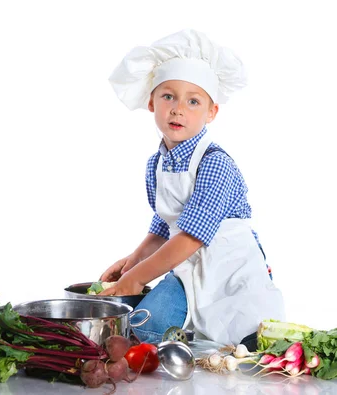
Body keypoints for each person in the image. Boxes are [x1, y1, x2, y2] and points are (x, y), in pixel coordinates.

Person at [100, 29, 285, 346]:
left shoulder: (215, 164)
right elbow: (163, 226)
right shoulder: (155, 164)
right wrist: (131, 263)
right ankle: (183, 336)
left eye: (193, 101)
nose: (178, 108)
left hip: (230, 270)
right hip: (188, 265)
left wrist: (137, 278)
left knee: (246, 337)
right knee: (145, 327)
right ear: (151, 102)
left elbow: (191, 237)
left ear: (211, 112)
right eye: (168, 96)